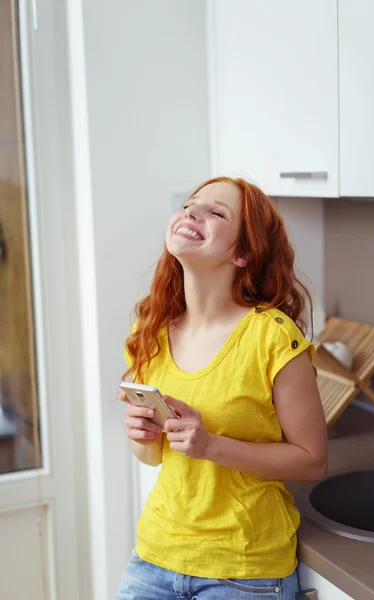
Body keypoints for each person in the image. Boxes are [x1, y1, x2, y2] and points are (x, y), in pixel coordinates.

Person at [117, 176, 328, 600]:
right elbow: (151, 457)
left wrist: (212, 445)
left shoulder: (272, 337)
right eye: (190, 205)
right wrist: (141, 435)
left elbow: (311, 462)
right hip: (155, 556)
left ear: (243, 254)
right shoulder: (150, 328)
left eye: (216, 212)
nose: (193, 212)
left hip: (245, 571)